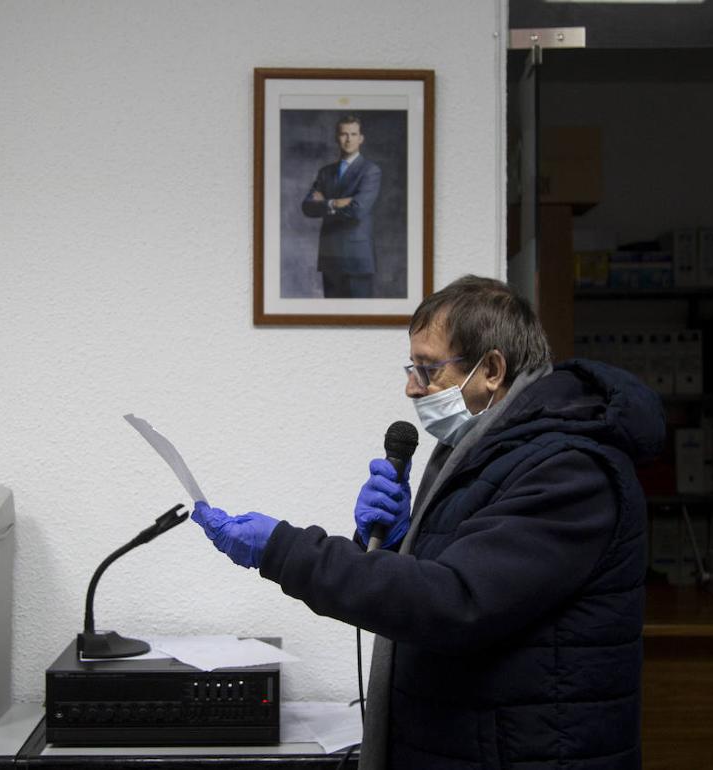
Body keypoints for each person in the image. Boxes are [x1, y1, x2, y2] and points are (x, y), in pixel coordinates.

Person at [191, 275, 664, 770]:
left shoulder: (570, 471)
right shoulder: (484, 453)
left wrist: (283, 549)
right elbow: (456, 579)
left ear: (492, 370)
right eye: (411, 368)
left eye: (427, 369)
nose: (412, 388)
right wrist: (399, 543)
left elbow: (454, 602)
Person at [300, 115, 382, 298]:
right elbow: (307, 207)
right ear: (337, 137)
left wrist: (324, 202)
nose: (348, 139)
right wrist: (335, 202)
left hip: (357, 259)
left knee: (360, 321)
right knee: (331, 323)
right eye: (344, 134)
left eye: (353, 134)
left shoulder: (370, 171)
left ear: (361, 138)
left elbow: (357, 210)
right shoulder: (325, 172)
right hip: (329, 257)